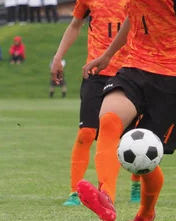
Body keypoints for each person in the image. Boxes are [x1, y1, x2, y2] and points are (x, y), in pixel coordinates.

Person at [79, 0, 176, 221]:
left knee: (145, 154)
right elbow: (135, 15)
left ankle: (145, 214)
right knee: (109, 120)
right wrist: (108, 55)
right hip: (135, 66)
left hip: (175, 74)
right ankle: (106, 196)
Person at [51, 0, 143, 206]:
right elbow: (75, 25)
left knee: (134, 136)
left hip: (129, 73)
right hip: (96, 73)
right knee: (86, 133)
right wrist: (58, 57)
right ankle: (76, 191)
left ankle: (136, 183)